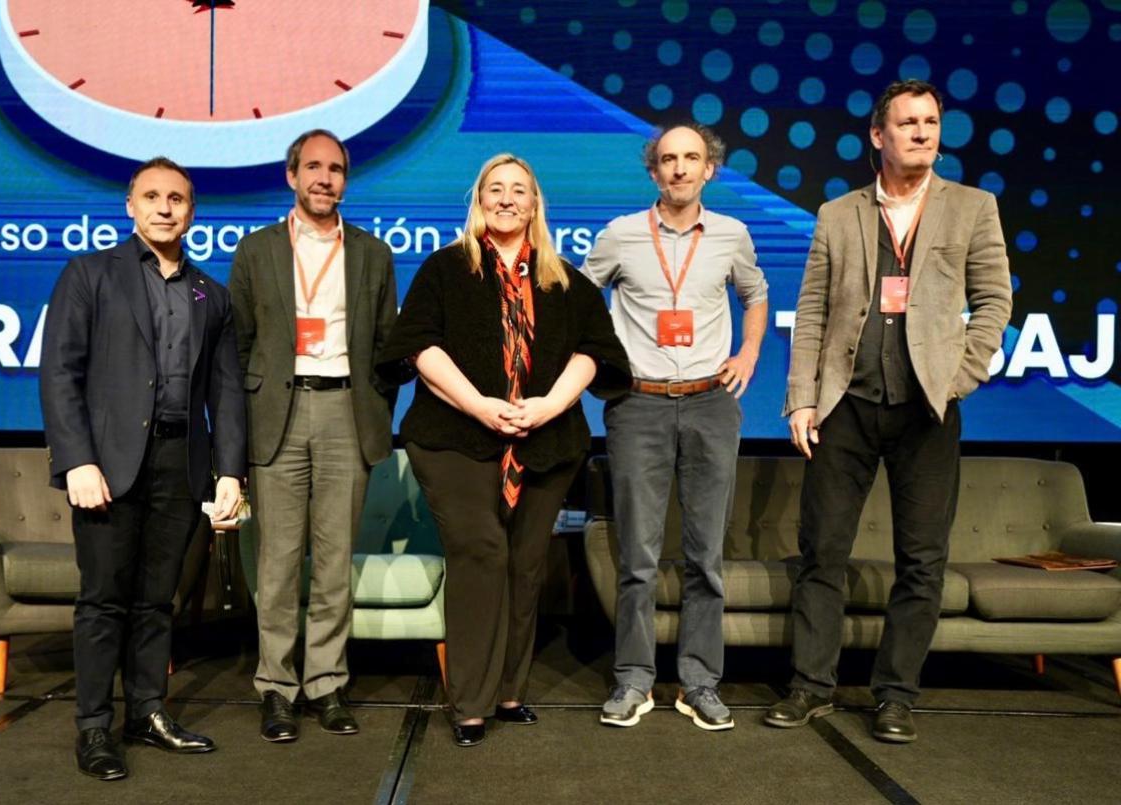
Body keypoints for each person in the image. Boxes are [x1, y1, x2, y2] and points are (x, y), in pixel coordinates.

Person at [766, 79, 1012, 743]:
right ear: (878, 135)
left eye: (930, 121)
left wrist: (961, 376)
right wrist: (802, 397)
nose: (923, 132)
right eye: (908, 123)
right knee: (823, 551)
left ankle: (896, 695)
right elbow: (812, 311)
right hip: (844, 406)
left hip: (927, 410)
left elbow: (995, 301)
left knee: (922, 559)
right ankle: (810, 685)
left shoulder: (972, 207)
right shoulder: (837, 213)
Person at [377, 154, 630, 748]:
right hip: (453, 438)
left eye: (519, 190)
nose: (507, 199)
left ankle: (510, 691)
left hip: (547, 440)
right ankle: (470, 701)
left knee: (525, 563)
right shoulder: (446, 269)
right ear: (479, 200)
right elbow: (419, 349)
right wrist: (479, 406)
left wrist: (547, 406)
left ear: (535, 203)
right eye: (495, 189)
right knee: (482, 551)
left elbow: (595, 353)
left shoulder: (565, 279)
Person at [40, 157, 246, 781]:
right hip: (107, 465)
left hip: (181, 464)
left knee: (158, 600)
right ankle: (94, 726)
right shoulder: (89, 274)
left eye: (176, 198)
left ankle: (148, 711)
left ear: (192, 211)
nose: (164, 207)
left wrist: (230, 472)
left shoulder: (212, 295)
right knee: (104, 599)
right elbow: (59, 373)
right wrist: (76, 460)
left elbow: (226, 391)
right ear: (130, 206)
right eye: (151, 196)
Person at [583, 123, 768, 731]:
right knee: (637, 556)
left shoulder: (732, 234)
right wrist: (603, 363)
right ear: (654, 171)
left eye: (692, 158)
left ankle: (699, 682)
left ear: (710, 168)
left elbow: (756, 295)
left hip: (711, 402)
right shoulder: (621, 234)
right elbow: (579, 299)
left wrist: (748, 355)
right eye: (669, 159)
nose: (680, 168)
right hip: (639, 405)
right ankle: (634, 680)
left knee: (705, 556)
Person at [228, 129, 398, 743]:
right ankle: (277, 687)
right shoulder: (256, 250)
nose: (325, 179)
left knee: (333, 562)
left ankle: (326, 683)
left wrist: (371, 406)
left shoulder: (374, 253)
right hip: (278, 413)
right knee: (276, 563)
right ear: (292, 176)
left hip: (345, 413)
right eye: (314, 167)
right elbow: (238, 343)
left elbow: (386, 347)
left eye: (336, 169)